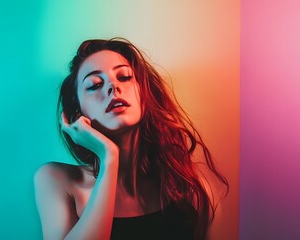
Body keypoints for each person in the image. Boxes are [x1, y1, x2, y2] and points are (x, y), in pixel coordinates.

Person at [34, 38, 229, 240]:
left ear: (144, 93)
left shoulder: (191, 187)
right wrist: (109, 157)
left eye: (125, 77)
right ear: (77, 112)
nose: (113, 86)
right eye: (94, 85)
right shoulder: (56, 180)